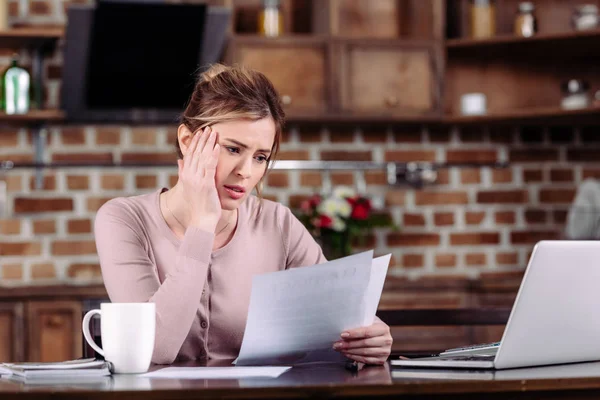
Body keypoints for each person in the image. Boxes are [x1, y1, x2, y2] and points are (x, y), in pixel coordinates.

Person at [94, 63, 392, 366]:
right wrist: (203, 223)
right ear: (187, 141)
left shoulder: (279, 224)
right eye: (234, 149)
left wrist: (371, 336)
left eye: (260, 157)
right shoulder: (123, 220)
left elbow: (342, 316)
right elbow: (155, 347)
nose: (246, 172)